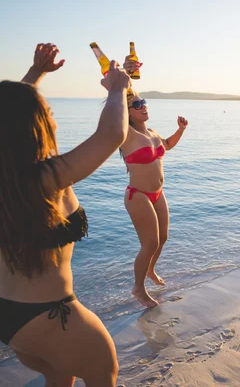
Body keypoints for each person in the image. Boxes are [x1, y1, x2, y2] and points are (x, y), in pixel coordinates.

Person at [0, 43, 129, 386]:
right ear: (35, 126)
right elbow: (113, 134)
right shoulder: (45, 179)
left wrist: (37, 72)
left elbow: (7, 112)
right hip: (52, 314)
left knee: (59, 376)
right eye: (48, 113)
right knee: (103, 375)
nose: (53, 117)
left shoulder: (9, 180)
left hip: (10, 316)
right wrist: (118, 87)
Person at [120, 58, 188, 308]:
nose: (142, 106)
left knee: (163, 238)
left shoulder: (151, 133)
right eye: (136, 104)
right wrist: (126, 75)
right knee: (149, 243)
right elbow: (117, 105)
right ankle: (138, 289)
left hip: (158, 193)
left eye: (143, 102)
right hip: (137, 195)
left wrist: (180, 130)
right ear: (126, 112)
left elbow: (167, 146)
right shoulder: (126, 134)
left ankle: (149, 270)